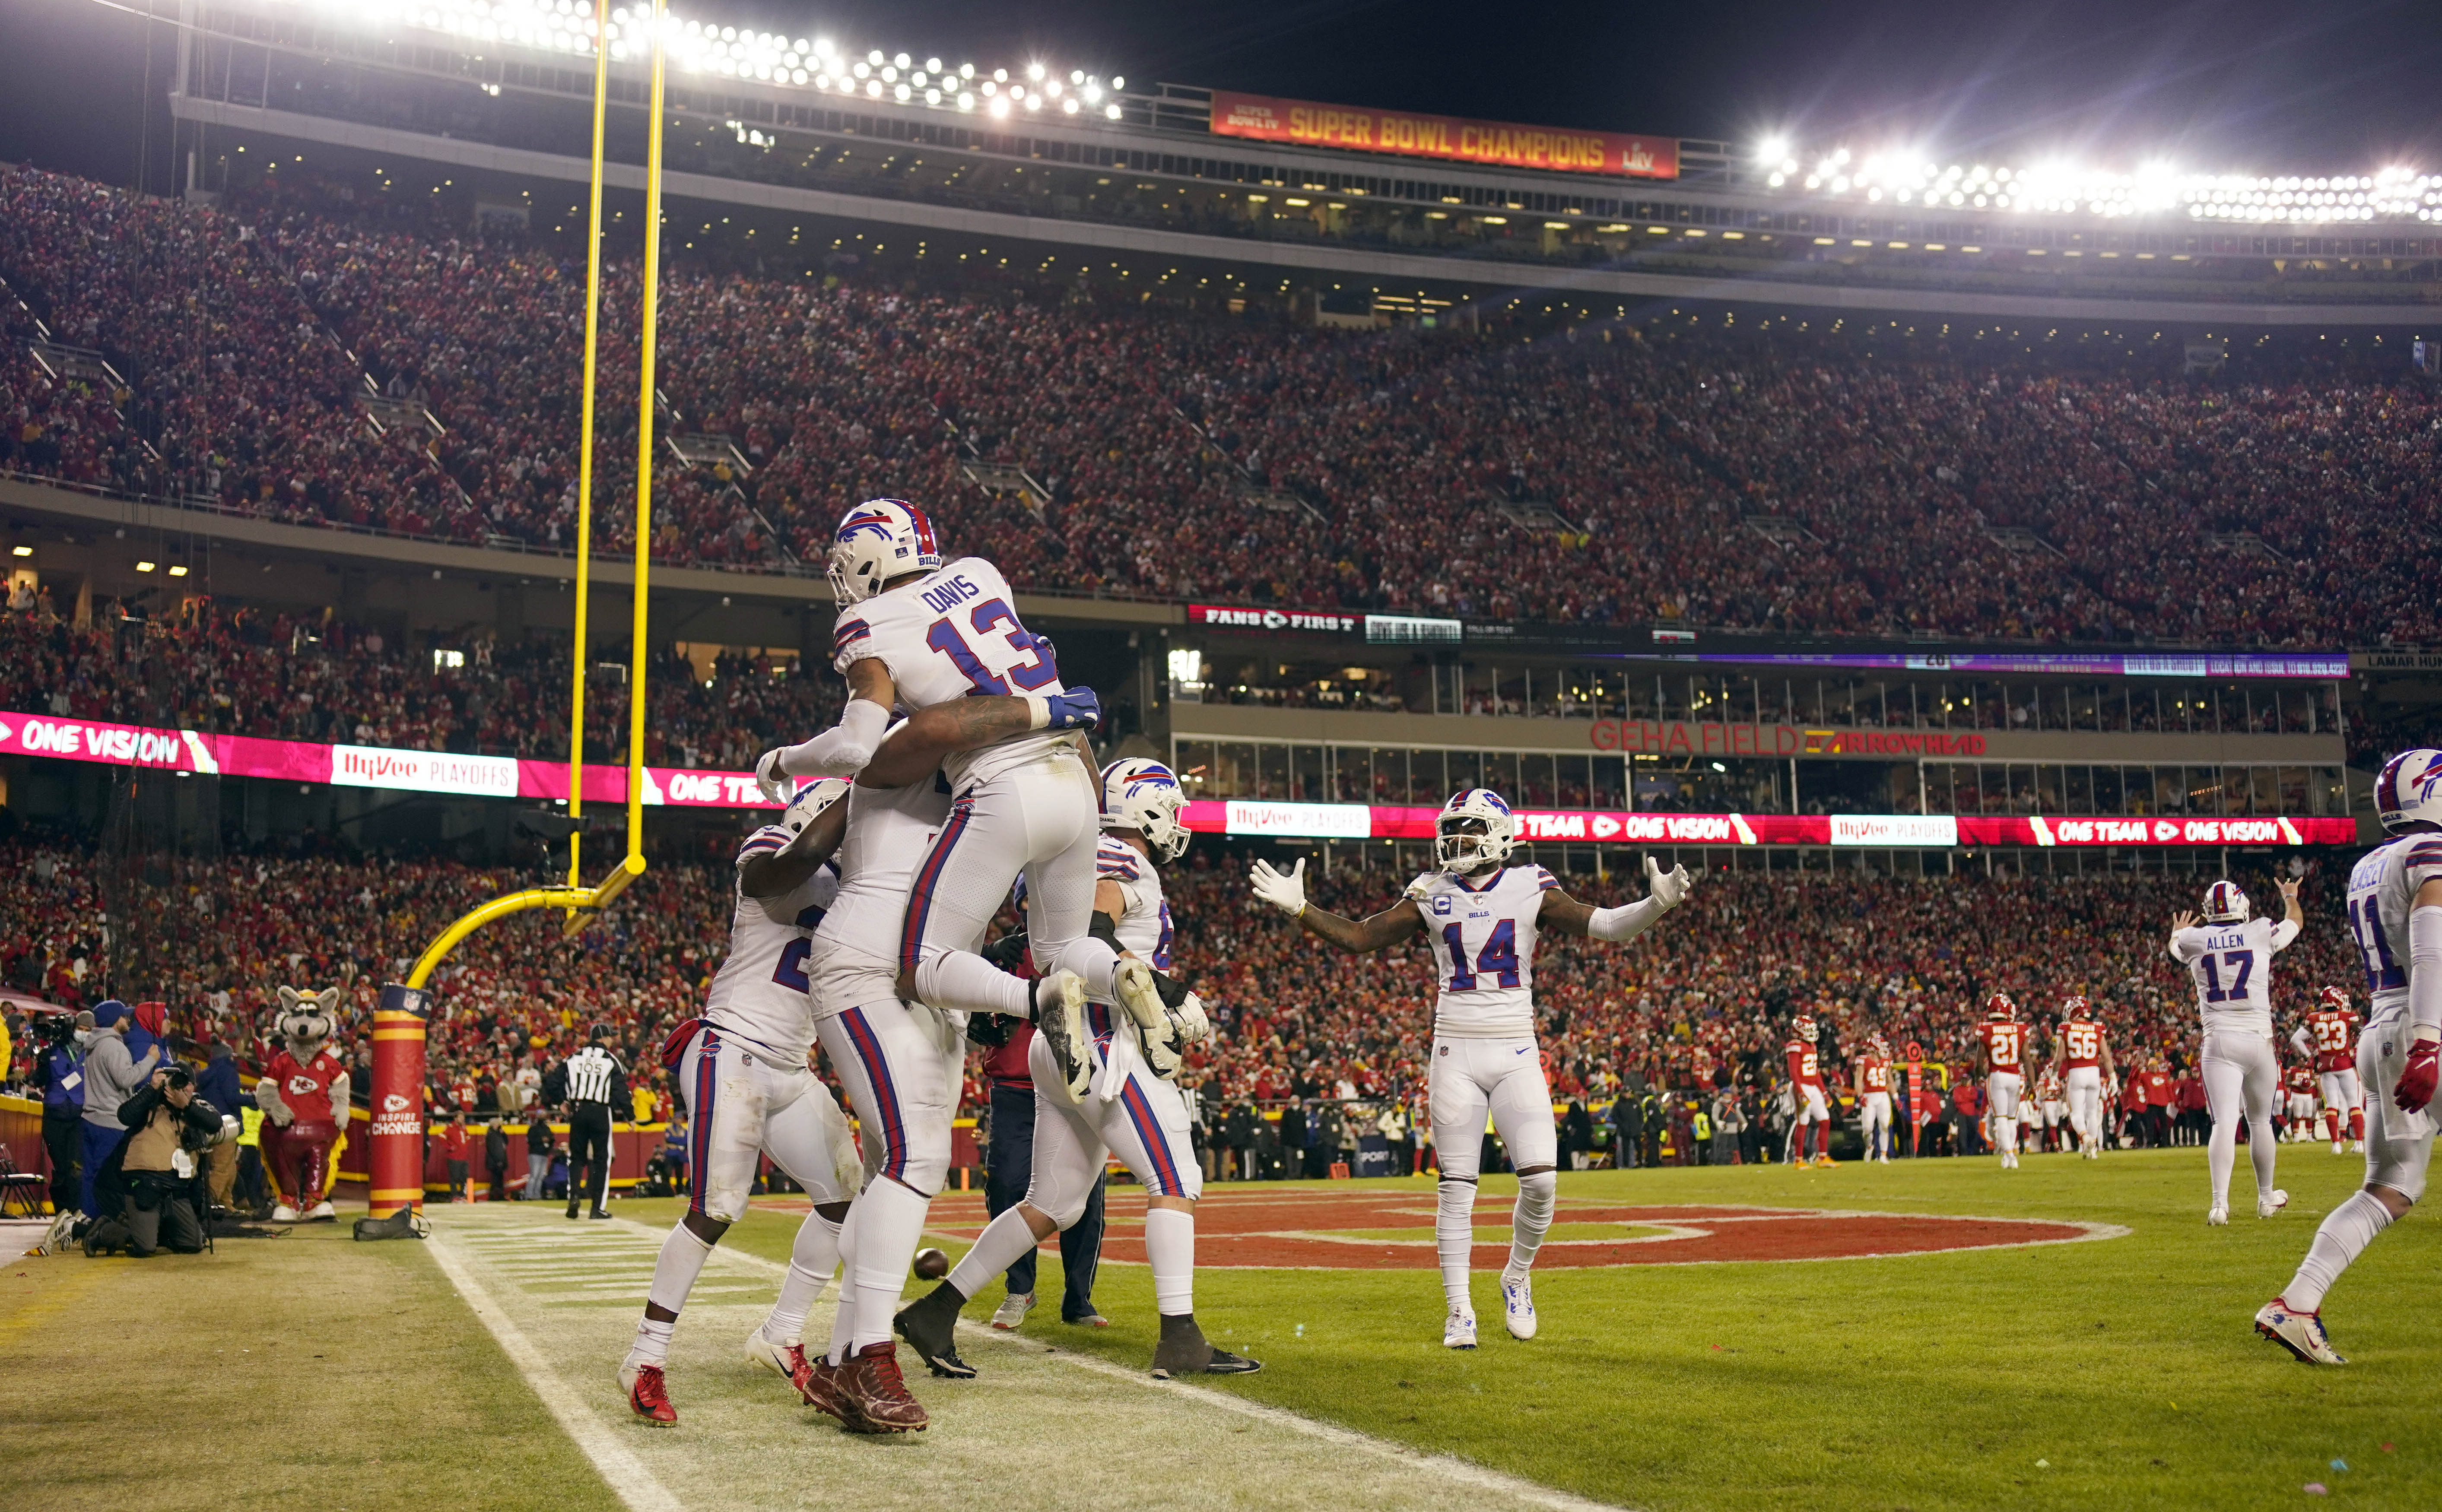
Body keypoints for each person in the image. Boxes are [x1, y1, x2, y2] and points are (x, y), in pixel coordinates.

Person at [1246, 790, 1694, 1349]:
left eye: (1468, 830)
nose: (1455, 841)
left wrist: (1656, 905)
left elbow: (1604, 925)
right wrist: (1299, 909)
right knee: (1455, 1191)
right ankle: (1459, 1309)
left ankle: (1516, 1274)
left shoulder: (1531, 883)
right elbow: (1361, 937)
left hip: (1513, 1049)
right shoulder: (1428, 892)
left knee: (1542, 1183)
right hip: (1454, 1051)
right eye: (1451, 830)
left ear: (1499, 834)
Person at [791, 692, 1116, 1432]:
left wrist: (1052, 725)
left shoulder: (1003, 768)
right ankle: (868, 1357)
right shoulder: (925, 738)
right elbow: (918, 738)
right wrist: (1043, 707)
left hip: (930, 976)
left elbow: (1080, 786)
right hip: (874, 962)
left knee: (895, 1170)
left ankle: (843, 1355)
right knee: (916, 1159)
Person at [753, 497, 1140, 1101]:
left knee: (924, 967)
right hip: (1073, 773)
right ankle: (1121, 975)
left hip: (1002, 783)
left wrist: (784, 759)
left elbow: (856, 747)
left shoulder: (867, 623)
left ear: (873, 555)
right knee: (1064, 948)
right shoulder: (981, 573)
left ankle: (1036, 1000)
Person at [899, 758, 1250, 1383]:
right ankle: (1181, 1337)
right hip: (1105, 1040)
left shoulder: (1077, 848)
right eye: (1171, 807)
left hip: (1056, 1044)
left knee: (1052, 1203)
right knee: (1176, 1180)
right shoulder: (1120, 858)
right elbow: (1092, 922)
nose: (1177, 821)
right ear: (1146, 808)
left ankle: (937, 1310)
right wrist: (1162, 989)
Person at [622, 780, 857, 1427]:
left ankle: (781, 1333)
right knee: (717, 1207)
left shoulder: (862, 885)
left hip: (790, 1065)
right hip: (733, 1047)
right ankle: (645, 1357)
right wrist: (857, 800)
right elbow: (771, 878)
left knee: (845, 1200)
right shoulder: (778, 845)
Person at [2257, 750, 2442, 1364]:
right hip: (2421, 1026)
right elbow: (2430, 952)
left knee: (2391, 1187)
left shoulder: (2369, 863)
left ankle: (2297, 1303)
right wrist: (2430, 1041)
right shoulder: (2427, 855)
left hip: (2377, 1029)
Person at [2169, 876, 2303, 1225]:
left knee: (2224, 1122)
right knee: (2260, 1122)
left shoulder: (2193, 939)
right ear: (2241, 906)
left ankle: (2219, 1205)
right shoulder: (2260, 929)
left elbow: (2175, 948)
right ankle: (2265, 1197)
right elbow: (2294, 923)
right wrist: (2289, 897)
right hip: (2259, 1039)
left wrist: (2175, 932)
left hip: (2219, 1040)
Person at [967, 1009, 1107, 1332]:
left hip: (1077, 1079)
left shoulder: (1088, 956)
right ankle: (1019, 1289)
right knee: (1005, 1184)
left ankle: (1078, 1298)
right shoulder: (1002, 957)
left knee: (1084, 1193)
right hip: (1014, 1084)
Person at [88, 1065, 224, 1257]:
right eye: (175, 1082)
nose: (181, 1088)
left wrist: (186, 1105)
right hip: (146, 1183)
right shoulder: (150, 1103)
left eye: (186, 1084)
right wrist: (151, 1089)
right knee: (144, 1247)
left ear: (194, 1087)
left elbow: (216, 1123)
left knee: (192, 1244)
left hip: (177, 1189)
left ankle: (146, 1228)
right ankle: (104, 1232)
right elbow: (124, 1115)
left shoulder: (195, 1107)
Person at [79, 1001, 159, 1218]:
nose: (128, 1020)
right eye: (124, 1016)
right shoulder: (114, 1046)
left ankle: (88, 1223)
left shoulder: (94, 1045)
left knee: (91, 1177)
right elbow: (126, 1079)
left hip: (91, 1119)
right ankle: (106, 1226)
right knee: (109, 1179)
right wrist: (150, 1060)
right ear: (115, 1020)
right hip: (110, 1121)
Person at [546, 1026, 626, 1221]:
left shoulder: (573, 1058)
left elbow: (552, 1081)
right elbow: (620, 1089)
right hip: (600, 1111)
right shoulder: (610, 1060)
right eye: (610, 1038)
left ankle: (573, 1197)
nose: (612, 1042)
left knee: (576, 1158)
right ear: (604, 1039)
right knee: (601, 1160)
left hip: (578, 1110)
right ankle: (597, 1208)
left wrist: (562, 1102)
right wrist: (629, 1115)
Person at [2290, 985, 2365, 1154]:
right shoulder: (2348, 1017)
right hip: (2344, 1064)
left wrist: (2311, 1055)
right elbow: (2364, 1033)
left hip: (2325, 1067)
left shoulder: (2314, 1018)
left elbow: (2296, 1039)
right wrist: (2357, 1051)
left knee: (2332, 1105)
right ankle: (2359, 1143)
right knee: (2354, 1104)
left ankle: (2336, 1145)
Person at [2049, 998, 2116, 1159]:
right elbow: (2106, 1057)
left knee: (2077, 1113)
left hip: (2077, 1073)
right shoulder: (2097, 1027)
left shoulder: (2066, 1028)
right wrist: (2113, 1077)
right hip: (2094, 1073)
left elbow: (2059, 1058)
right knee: (2092, 1113)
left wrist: (2053, 1076)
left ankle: (2085, 1137)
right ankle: (2093, 1150)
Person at [34, 1012, 84, 1217]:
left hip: (78, 1116)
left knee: (76, 1168)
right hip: (55, 1115)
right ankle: (62, 1212)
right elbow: (38, 1082)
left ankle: (75, 1212)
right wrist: (43, 1064)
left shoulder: (87, 1053)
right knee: (62, 1169)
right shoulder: (50, 1052)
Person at [1978, 994, 2031, 1170]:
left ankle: (2009, 1154)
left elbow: (1979, 1061)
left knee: (2000, 1118)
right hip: (2015, 1077)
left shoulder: (1986, 1029)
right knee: (2011, 1119)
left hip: (1997, 1075)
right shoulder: (2019, 1029)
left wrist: (1979, 1076)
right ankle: (2010, 1155)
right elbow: (2027, 1059)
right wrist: (2032, 1082)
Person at [195, 1042, 243, 1210]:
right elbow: (232, 1097)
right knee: (222, 1168)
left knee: (228, 1168)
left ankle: (226, 1204)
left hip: (209, 1122)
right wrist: (253, 1100)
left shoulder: (206, 1074)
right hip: (226, 1125)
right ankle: (207, 1203)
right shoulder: (228, 1071)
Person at [1785, 1017, 1833, 1166]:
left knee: (1825, 1120)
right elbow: (1793, 1073)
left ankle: (1823, 1158)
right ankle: (1798, 1160)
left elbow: (1815, 1072)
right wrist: (1800, 1092)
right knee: (1803, 1121)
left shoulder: (1812, 1045)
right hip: (1801, 1086)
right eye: (1808, 1029)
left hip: (1813, 1087)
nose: (1812, 1032)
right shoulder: (1795, 1045)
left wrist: (1825, 1093)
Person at [1854, 1033, 1895, 1165]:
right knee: (1867, 1129)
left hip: (1883, 1095)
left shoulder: (1886, 1061)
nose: (1884, 1048)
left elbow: (1891, 1081)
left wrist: (1896, 1097)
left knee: (1884, 1125)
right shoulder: (1863, 1061)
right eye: (1882, 1045)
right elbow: (1858, 1081)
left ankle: (1883, 1155)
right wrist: (1860, 1096)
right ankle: (1869, 1147)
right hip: (1869, 1097)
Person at [440, 1113, 472, 1202]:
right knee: (454, 1177)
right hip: (454, 1157)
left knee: (464, 1177)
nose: (462, 1119)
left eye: (463, 1117)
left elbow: (468, 1138)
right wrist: (450, 1147)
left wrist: (464, 1149)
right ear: (455, 1118)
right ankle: (455, 1196)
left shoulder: (464, 1128)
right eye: (460, 1117)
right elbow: (442, 1138)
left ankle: (462, 1195)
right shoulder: (450, 1128)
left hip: (464, 1157)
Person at [524, 1115, 554, 1200]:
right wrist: (541, 1140)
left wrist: (548, 1143)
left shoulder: (547, 1129)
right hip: (535, 1154)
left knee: (540, 1177)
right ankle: (529, 1195)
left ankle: (537, 1195)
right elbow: (530, 1140)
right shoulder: (533, 1129)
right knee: (534, 1176)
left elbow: (552, 1139)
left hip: (544, 1154)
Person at [484, 1117, 511, 1202]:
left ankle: (497, 1196)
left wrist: (504, 1134)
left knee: (498, 1179)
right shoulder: (491, 1135)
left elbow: (506, 1142)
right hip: (495, 1161)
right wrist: (498, 1161)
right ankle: (495, 1196)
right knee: (496, 1180)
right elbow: (492, 1150)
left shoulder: (498, 1134)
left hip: (499, 1160)